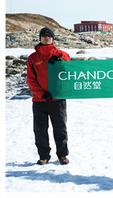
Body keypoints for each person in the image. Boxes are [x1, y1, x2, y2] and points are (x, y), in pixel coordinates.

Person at [26, 27, 71, 165]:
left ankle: (62, 155)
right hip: (40, 100)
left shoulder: (61, 54)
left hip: (58, 99)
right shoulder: (33, 58)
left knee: (60, 128)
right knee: (40, 129)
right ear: (40, 38)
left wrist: (59, 60)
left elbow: (70, 68)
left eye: (49, 36)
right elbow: (31, 79)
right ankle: (44, 156)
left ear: (53, 39)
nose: (46, 38)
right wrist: (41, 94)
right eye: (44, 36)